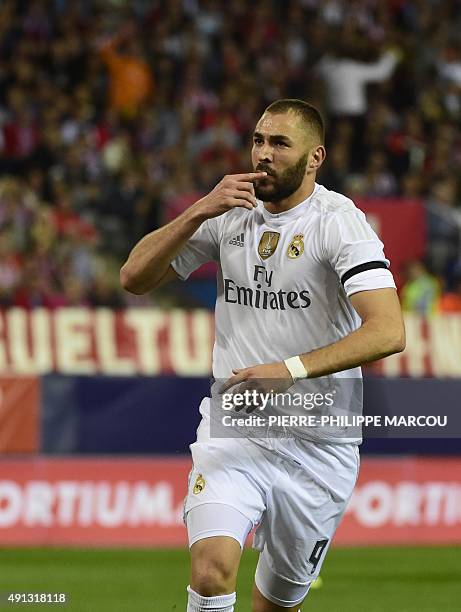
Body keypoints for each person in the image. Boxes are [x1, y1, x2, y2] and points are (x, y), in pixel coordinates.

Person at [120, 99, 405, 612]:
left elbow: (388, 331)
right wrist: (197, 211)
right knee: (210, 572)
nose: (263, 154)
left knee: (276, 603)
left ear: (314, 157)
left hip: (320, 444)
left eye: (279, 143)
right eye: (257, 140)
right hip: (236, 430)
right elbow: (133, 278)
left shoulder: (339, 223)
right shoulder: (228, 211)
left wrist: (290, 370)